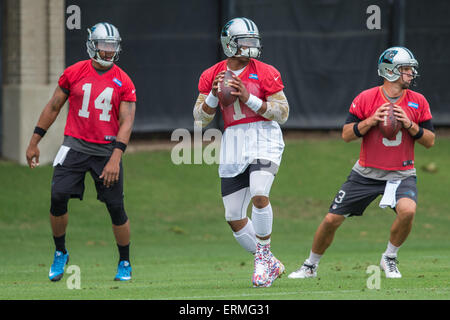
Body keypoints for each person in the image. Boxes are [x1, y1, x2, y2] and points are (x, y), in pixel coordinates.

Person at [288, 46, 435, 280]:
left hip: (401, 173)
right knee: (331, 219)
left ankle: (389, 257)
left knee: (408, 211)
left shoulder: (418, 101)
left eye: (410, 69)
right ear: (390, 72)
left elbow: (430, 141)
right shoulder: (366, 98)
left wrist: (409, 124)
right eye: (406, 69)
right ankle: (310, 265)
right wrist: (370, 121)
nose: (410, 74)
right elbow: (346, 135)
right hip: (366, 173)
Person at [25, 22, 137, 282]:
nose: (109, 52)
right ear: (92, 45)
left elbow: (127, 122)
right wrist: (34, 141)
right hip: (74, 145)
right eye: (104, 46)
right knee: (57, 196)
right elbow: (53, 107)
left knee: (115, 207)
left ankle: (125, 261)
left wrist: (116, 158)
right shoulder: (74, 72)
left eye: (113, 46)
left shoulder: (124, 80)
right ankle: (61, 252)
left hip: (107, 149)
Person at [193, 17, 290, 287]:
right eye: (244, 41)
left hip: (264, 135)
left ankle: (261, 259)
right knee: (233, 215)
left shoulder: (266, 71)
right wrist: (213, 96)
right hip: (233, 140)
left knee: (260, 193)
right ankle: (270, 262)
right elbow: (199, 120)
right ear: (228, 44)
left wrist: (249, 98)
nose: (251, 46)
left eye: (253, 41)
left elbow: (282, 113)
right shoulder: (211, 74)